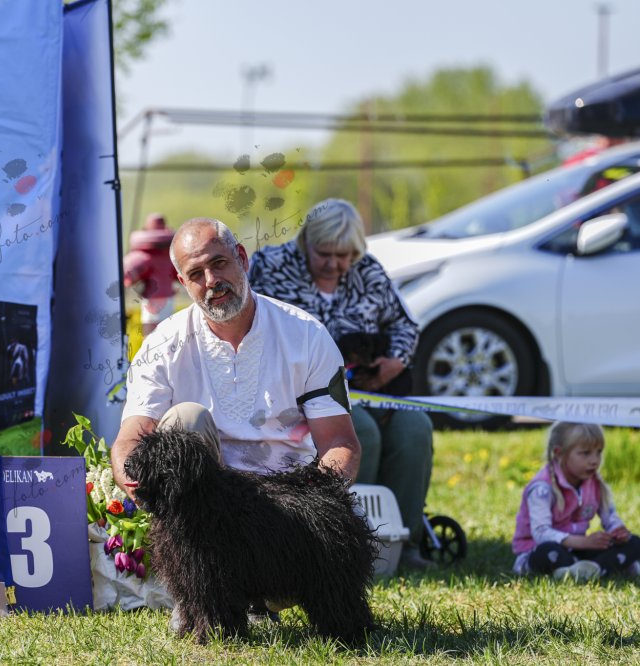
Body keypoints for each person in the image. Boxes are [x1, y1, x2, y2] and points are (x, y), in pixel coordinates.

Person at [110, 216, 361, 623]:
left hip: (285, 516)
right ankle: (201, 587)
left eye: (219, 263)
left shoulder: (307, 336)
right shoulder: (161, 346)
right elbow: (130, 440)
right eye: (196, 274)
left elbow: (340, 444)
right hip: (208, 519)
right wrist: (139, 485)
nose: (211, 280)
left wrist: (312, 511)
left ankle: (264, 592)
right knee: (184, 421)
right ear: (182, 282)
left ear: (241, 258)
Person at [248, 198, 435, 570]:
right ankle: (352, 541)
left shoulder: (368, 270)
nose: (334, 264)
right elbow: (255, 331)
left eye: (344, 256)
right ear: (306, 242)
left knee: (415, 428)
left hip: (369, 389)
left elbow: (405, 325)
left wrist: (395, 361)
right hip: (302, 394)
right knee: (361, 432)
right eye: (325, 253)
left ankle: (404, 543)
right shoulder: (271, 266)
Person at [512, 422, 640, 582]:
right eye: (585, 453)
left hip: (579, 549)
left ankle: (589, 569)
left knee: (635, 542)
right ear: (559, 453)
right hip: (540, 549)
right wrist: (584, 542)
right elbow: (541, 533)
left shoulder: (594, 483)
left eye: (598, 452)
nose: (594, 460)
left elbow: (610, 517)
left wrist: (618, 532)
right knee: (549, 552)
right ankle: (606, 567)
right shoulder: (542, 488)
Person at [123, 213, 177, 336]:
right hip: (168, 299)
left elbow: (128, 276)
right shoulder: (170, 258)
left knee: (150, 334)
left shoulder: (142, 258)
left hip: (151, 300)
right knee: (167, 331)